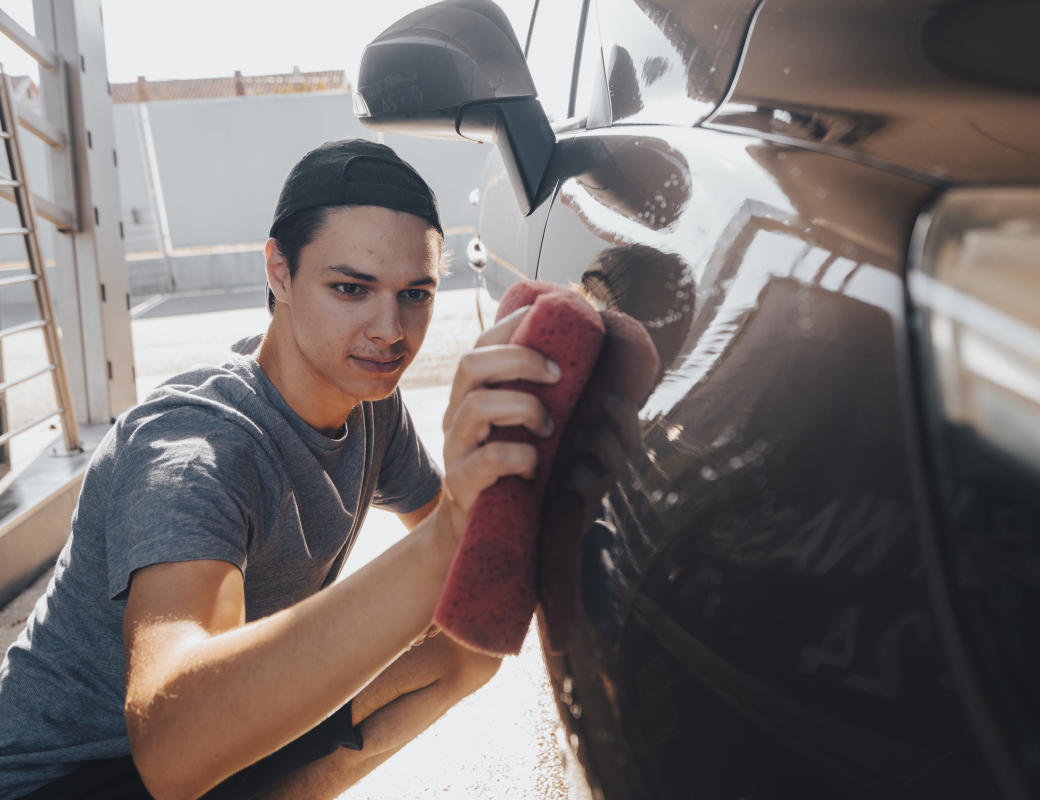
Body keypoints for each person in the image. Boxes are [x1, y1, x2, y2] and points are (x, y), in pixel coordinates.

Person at [0, 139, 600, 799]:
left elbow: (469, 570)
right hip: (63, 778)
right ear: (278, 273)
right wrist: (449, 536)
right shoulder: (194, 447)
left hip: (210, 756)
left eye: (415, 294)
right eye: (350, 288)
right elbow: (172, 748)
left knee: (468, 646)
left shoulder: (373, 408)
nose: (390, 329)